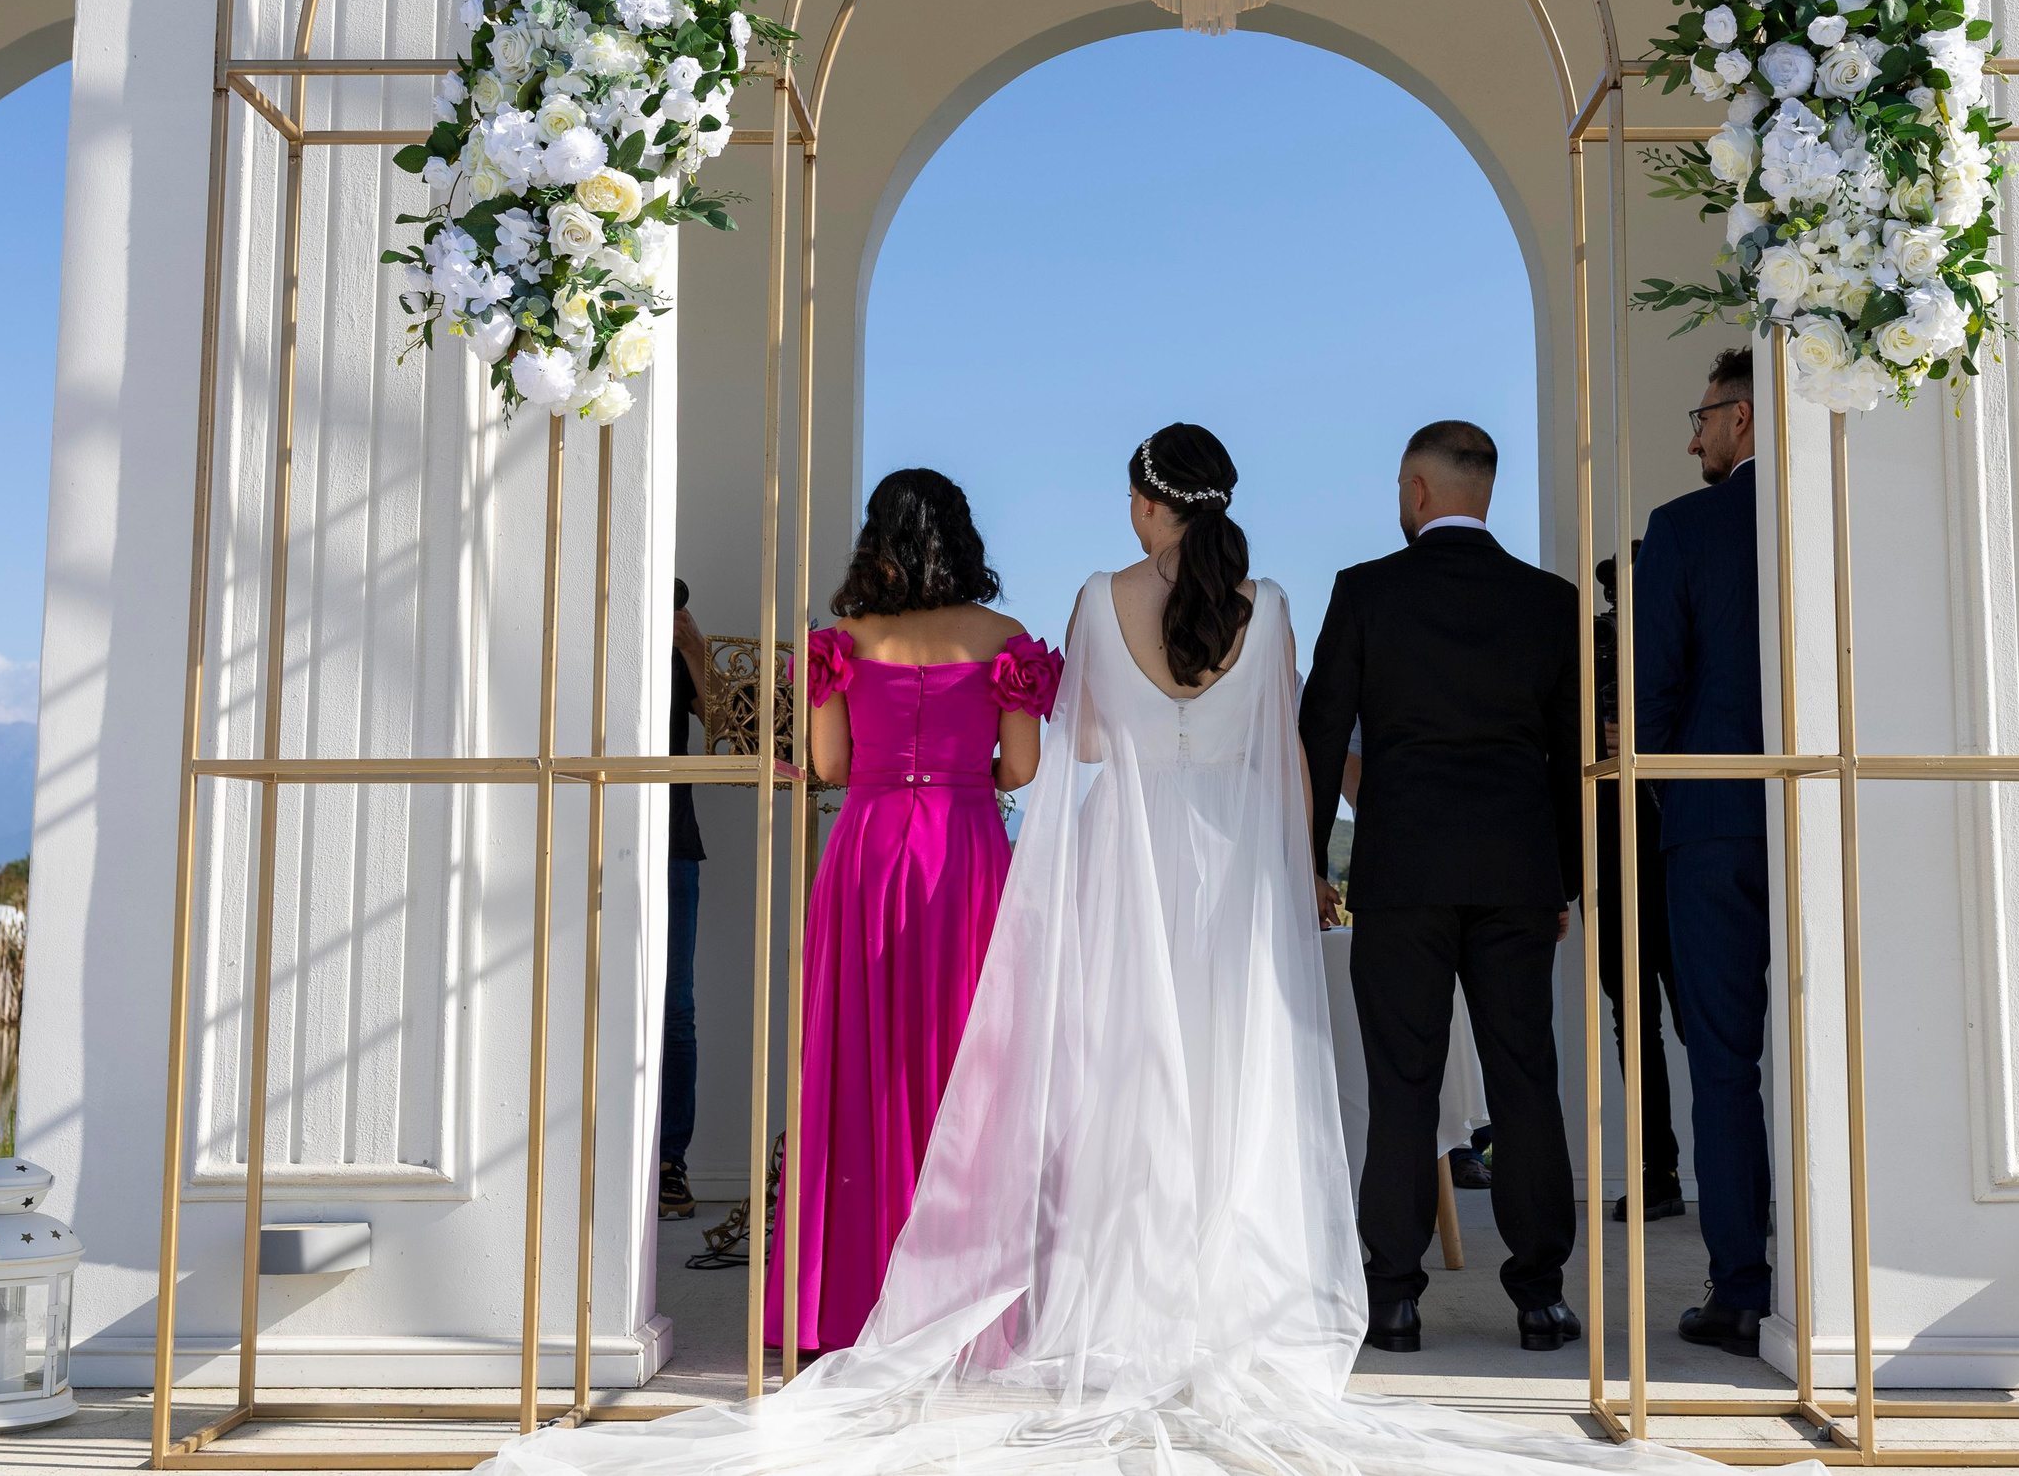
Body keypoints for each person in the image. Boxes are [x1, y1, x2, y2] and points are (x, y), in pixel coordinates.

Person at [481, 428, 1756, 1476]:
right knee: (1268, 1082)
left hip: (1108, 868)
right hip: (1246, 879)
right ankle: (1414, 1296)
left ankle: (1211, 1289)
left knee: (1129, 1082)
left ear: (1151, 506)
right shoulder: (1276, 603)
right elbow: (1287, 754)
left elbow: (1077, 758)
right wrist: (1302, 865)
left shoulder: (1093, 601)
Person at [1298, 420, 1584, 1357]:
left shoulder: (1367, 591)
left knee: (1403, 1084)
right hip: (1513, 876)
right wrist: (1566, 880)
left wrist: (1308, 858)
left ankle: (1395, 1299)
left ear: (1417, 491)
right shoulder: (1549, 602)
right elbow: (1570, 758)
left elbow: (1320, 729)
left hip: (1403, 874)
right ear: (1484, 492)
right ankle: (1540, 1296)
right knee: (1525, 1081)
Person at [760, 469, 1056, 1356]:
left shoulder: (840, 640)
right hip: (964, 854)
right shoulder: (1004, 638)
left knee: (860, 1065)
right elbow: (1024, 768)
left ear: (875, 539)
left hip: (869, 855)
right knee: (971, 1063)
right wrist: (966, 774)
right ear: (961, 537)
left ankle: (852, 1300)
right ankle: (965, 1296)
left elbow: (829, 766)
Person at [1633, 346, 1771, 1357]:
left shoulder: (1682, 531)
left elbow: (1653, 694)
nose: (1694, 436)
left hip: (1713, 823)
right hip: (1841, 813)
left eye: (1705, 415)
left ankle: (1741, 1288)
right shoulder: (1846, 508)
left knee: (1723, 1062)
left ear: (1745, 415)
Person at [1594, 554, 1684, 1225]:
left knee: (1704, 1024)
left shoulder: (1688, 644)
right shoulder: (1593, 649)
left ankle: (1727, 1173)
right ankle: (1658, 1174)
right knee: (1637, 1025)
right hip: (1618, 856)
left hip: (1685, 849)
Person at [660, 581, 712, 1221]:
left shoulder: (676, 640)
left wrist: (694, 646)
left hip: (672, 839)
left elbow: (729, 728)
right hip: (583, 834)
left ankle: (670, 1160)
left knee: (676, 1006)